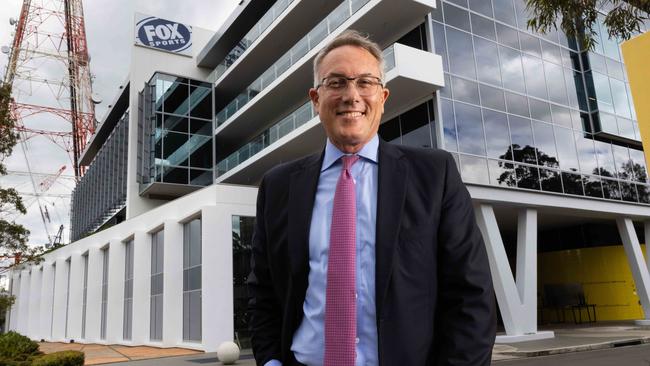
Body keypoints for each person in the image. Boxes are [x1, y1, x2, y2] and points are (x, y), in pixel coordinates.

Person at [247, 30, 496, 366]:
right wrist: (271, 362)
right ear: (315, 99)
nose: (352, 95)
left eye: (365, 82)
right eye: (336, 82)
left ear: (383, 96)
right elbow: (264, 294)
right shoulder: (278, 187)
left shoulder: (435, 175)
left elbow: (472, 296)